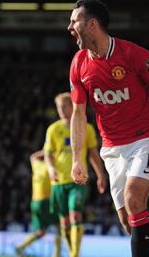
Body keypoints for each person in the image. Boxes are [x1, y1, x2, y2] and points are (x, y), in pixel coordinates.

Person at [67, 0, 149, 257]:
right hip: (112, 146)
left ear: (92, 24)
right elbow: (78, 114)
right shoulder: (79, 63)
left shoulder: (132, 54)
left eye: (74, 20)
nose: (69, 26)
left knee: (134, 197)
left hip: (146, 138)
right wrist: (76, 159)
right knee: (130, 222)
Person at [44, 92, 107, 257]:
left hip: (78, 180)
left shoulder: (86, 127)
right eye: (58, 107)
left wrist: (101, 175)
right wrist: (50, 168)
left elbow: (93, 154)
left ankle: (75, 254)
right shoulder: (53, 129)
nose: (61, 110)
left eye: (64, 106)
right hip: (58, 182)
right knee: (64, 222)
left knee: (75, 214)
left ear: (72, 106)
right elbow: (48, 154)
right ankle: (71, 249)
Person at [15, 150, 62, 257]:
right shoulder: (54, 167)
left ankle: (21, 247)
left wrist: (45, 151)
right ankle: (56, 254)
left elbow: (32, 156)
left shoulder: (37, 165)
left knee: (41, 232)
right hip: (47, 201)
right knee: (61, 227)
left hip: (35, 203)